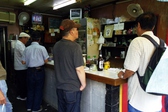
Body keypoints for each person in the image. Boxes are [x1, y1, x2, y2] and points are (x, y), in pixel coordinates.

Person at [117, 12, 162, 112]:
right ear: (153, 27)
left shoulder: (137, 42)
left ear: (138, 25)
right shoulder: (162, 44)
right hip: (156, 102)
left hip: (139, 102)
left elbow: (130, 71)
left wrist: (122, 75)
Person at [53, 19, 86, 112]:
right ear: (71, 32)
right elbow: (79, 69)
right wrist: (83, 84)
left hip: (60, 87)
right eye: (76, 29)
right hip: (72, 88)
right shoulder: (75, 47)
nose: (77, 31)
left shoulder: (56, 45)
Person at [22, 31, 49, 112]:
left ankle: (29, 107)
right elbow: (46, 61)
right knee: (38, 89)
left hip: (30, 71)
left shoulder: (27, 49)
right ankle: (36, 108)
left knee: (30, 89)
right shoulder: (42, 48)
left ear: (31, 39)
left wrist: (31, 61)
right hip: (39, 71)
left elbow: (23, 62)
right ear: (39, 39)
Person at [14, 32, 30, 101]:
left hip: (19, 66)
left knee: (20, 82)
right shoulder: (20, 45)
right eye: (26, 39)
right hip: (21, 67)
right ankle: (22, 96)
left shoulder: (20, 44)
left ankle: (20, 95)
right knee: (22, 82)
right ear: (23, 38)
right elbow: (25, 55)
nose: (27, 41)